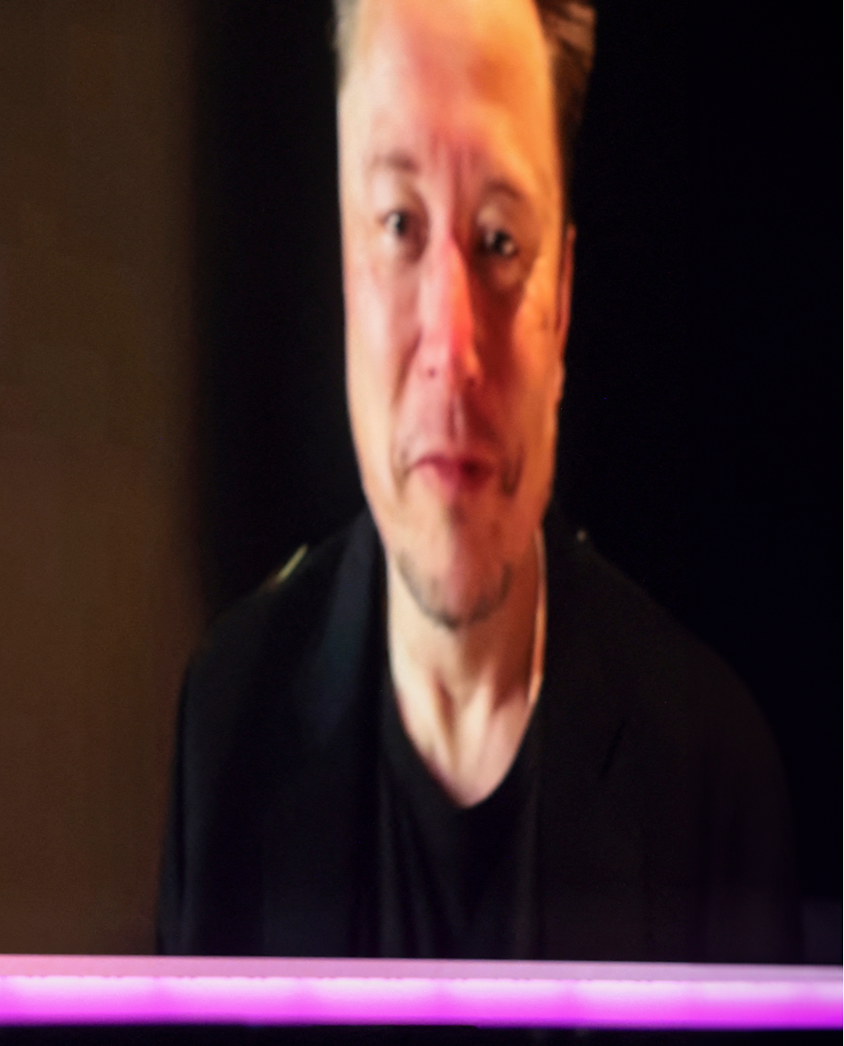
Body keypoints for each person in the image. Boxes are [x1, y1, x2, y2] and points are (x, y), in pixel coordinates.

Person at [156, 0, 801, 962]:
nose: (453, 350)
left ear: (565, 305)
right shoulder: (229, 731)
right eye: (400, 224)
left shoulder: (711, 773)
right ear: (344, 270)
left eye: (500, 241)